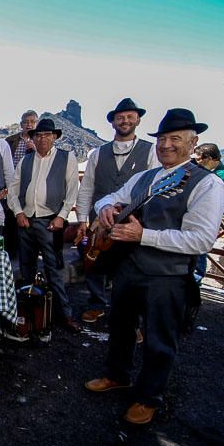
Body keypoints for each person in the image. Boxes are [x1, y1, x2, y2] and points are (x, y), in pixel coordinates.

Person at [85, 108, 224, 425]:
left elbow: (201, 240)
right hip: (129, 267)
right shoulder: (144, 178)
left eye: (175, 138)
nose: (166, 145)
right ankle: (117, 375)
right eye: (162, 138)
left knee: (159, 339)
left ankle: (148, 397)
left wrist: (144, 235)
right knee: (121, 327)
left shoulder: (207, 185)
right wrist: (106, 208)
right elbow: (107, 198)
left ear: (193, 143)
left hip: (167, 276)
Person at [75, 98, 159, 324]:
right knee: (95, 262)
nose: (125, 121)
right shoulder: (97, 153)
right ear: (113, 122)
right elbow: (87, 188)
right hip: (99, 220)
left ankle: (130, 317)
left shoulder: (151, 152)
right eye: (120, 117)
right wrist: (82, 220)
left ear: (138, 120)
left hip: (133, 221)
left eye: (130, 117)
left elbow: (154, 190)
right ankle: (96, 304)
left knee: (130, 268)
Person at [7, 118, 80, 332]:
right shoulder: (26, 161)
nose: (42, 139)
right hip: (27, 220)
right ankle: (31, 313)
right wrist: (19, 212)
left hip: (50, 221)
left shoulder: (67, 159)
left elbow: (72, 190)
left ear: (54, 137)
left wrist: (62, 216)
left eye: (47, 135)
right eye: (38, 135)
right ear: (33, 138)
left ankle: (65, 314)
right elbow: (13, 189)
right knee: (27, 268)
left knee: (54, 269)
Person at [192, 143, 224, 282]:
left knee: (200, 251)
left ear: (209, 158)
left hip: (207, 219)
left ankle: (196, 280)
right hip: (198, 216)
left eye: (199, 159)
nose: (197, 162)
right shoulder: (210, 172)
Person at [5, 110, 39, 255]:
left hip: (32, 186)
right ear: (21, 124)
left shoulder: (40, 140)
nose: (29, 124)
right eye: (26, 122)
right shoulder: (10, 141)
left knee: (29, 217)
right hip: (12, 184)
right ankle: (12, 250)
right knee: (11, 216)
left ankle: (29, 250)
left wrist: (35, 149)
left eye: (32, 122)